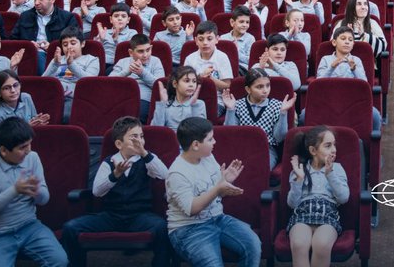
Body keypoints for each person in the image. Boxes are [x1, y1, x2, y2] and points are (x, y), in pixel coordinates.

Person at [61, 116, 169, 267]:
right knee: (70, 228)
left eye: (141, 137)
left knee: (162, 227)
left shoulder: (147, 159)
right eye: (134, 137)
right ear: (119, 144)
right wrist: (115, 175)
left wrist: (144, 153)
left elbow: (164, 174)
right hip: (111, 215)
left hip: (139, 215)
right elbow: (97, 192)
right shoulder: (109, 162)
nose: (140, 141)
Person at [165, 117, 262, 267]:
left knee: (253, 245)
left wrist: (226, 181)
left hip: (218, 218)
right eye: (210, 139)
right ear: (196, 145)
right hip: (188, 229)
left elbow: (218, 194)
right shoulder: (177, 173)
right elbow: (192, 209)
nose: (215, 142)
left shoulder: (208, 157)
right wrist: (218, 188)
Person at [0, 117, 68, 267]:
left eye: (29, 144)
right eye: (22, 147)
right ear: (4, 151)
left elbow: (44, 199)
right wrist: (15, 190)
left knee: (59, 260)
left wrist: (36, 191)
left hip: (28, 226)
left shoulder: (32, 158)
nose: (28, 150)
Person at [286, 126, 349, 267]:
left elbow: (344, 197)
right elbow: (292, 203)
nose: (334, 149)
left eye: (334, 145)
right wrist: (299, 179)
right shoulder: (299, 170)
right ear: (313, 151)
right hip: (302, 216)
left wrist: (330, 174)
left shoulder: (337, 169)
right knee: (298, 244)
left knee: (322, 244)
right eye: (328, 146)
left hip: (328, 217)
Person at [223, 69, 295, 170]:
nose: (265, 90)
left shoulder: (277, 105)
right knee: (234, 169)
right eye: (259, 87)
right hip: (242, 147)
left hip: (267, 149)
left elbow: (280, 137)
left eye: (268, 85)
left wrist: (283, 113)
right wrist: (230, 109)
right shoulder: (237, 105)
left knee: (259, 168)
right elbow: (230, 134)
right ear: (248, 89)